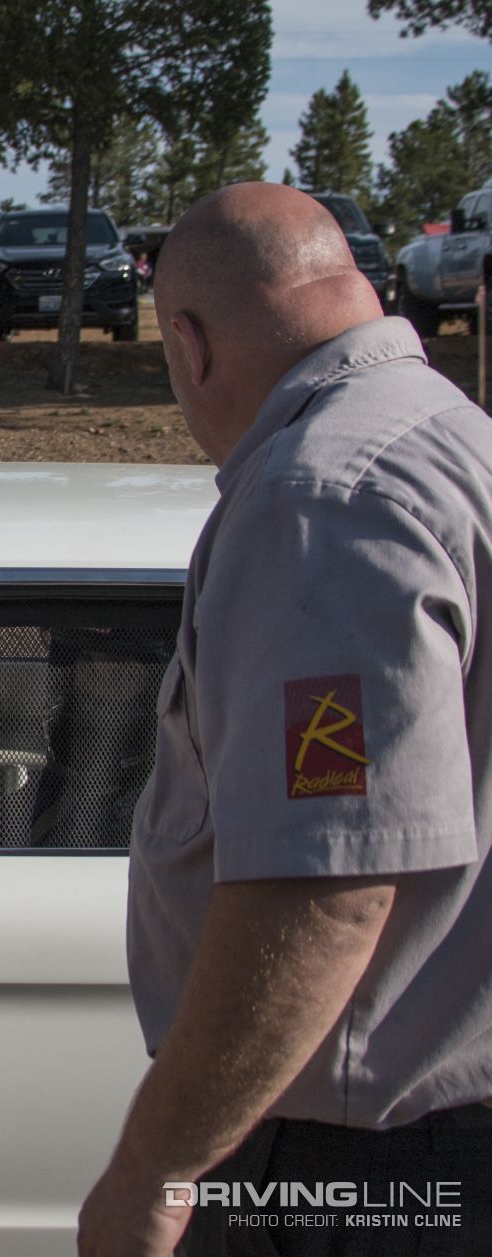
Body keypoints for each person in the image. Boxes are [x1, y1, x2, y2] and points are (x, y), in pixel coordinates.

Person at [79, 182, 492, 1256]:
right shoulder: (453, 441)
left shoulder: (320, 498)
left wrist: (155, 1173)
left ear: (190, 344)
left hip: (356, 1173)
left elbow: (323, 886)